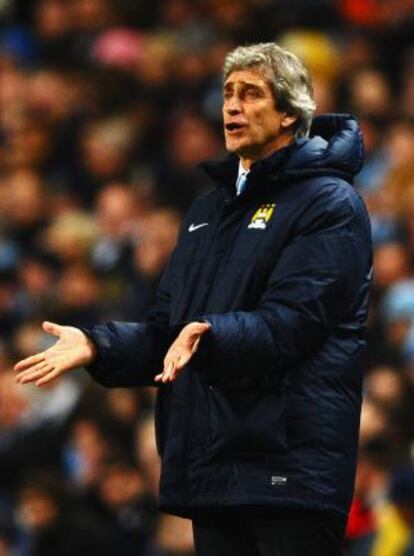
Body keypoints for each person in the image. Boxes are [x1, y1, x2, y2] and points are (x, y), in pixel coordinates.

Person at [15, 42, 372, 555]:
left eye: (251, 94)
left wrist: (211, 332)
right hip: (215, 469)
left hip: (289, 470)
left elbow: (294, 322)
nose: (231, 106)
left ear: (291, 113)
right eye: (228, 93)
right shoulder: (208, 210)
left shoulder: (329, 203)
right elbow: (168, 330)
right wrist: (98, 346)